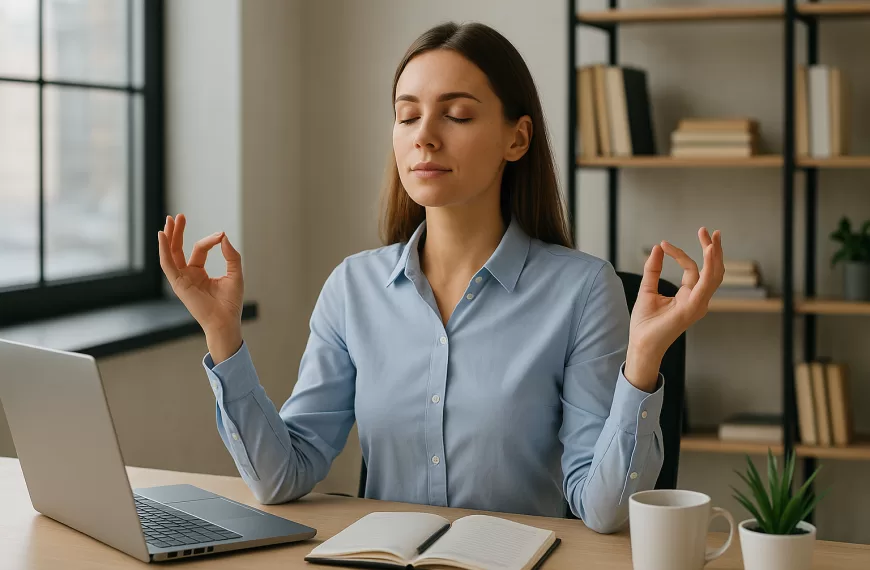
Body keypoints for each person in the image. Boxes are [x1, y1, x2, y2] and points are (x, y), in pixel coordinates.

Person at [157, 21, 724, 534]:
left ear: (517, 139)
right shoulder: (353, 289)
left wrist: (644, 361)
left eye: (456, 115)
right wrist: (222, 335)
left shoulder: (583, 291)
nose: (424, 135)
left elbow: (602, 509)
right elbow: (282, 476)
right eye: (407, 116)